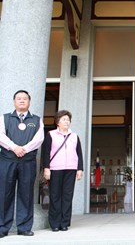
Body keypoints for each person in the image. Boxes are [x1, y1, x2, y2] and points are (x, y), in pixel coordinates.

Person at [0, 90, 44, 238]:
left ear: (29, 102)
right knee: (4, 193)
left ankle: (24, 227)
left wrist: (23, 149)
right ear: (14, 102)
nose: (22, 101)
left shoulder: (36, 120)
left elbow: (39, 139)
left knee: (26, 194)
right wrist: (14, 148)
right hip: (8, 160)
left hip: (27, 162)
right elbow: (0, 135)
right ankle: (2, 227)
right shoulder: (5, 118)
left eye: (25, 99)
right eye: (18, 99)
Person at [42, 110, 84, 232]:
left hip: (70, 169)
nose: (66, 121)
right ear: (57, 122)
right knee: (55, 195)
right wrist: (46, 168)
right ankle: (54, 223)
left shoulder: (74, 136)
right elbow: (46, 153)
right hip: (55, 169)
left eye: (68, 120)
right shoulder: (51, 135)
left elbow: (79, 154)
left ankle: (64, 222)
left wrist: (80, 168)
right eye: (63, 119)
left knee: (67, 196)